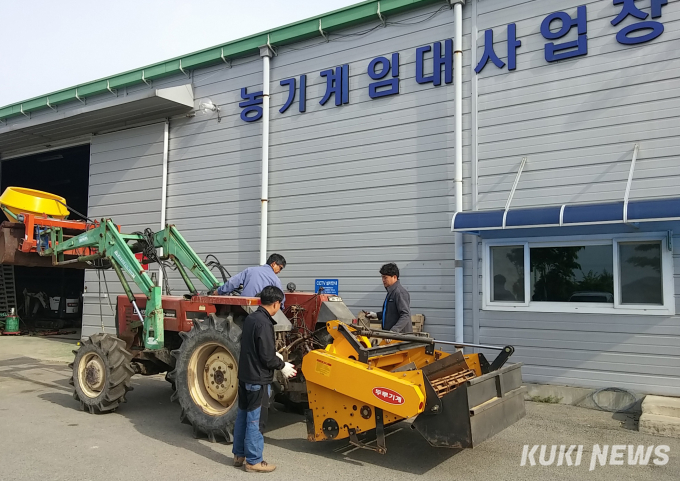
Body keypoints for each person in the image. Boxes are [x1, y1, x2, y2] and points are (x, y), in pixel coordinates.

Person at [232, 285, 297, 473]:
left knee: (243, 417)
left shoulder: (251, 318)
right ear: (276, 304)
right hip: (258, 379)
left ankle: (239, 455)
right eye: (280, 304)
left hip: (245, 377)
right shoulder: (265, 323)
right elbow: (267, 357)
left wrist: (272, 353)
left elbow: (254, 347)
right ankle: (253, 460)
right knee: (256, 420)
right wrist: (282, 365)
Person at [216, 254, 286, 307]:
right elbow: (281, 298)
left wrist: (218, 291)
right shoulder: (275, 279)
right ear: (273, 264)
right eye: (280, 268)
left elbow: (232, 282)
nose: (279, 271)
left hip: (243, 307)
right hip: (262, 309)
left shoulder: (249, 270)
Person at [365, 263, 412, 333]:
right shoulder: (391, 292)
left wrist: (394, 330)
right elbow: (392, 312)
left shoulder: (400, 293)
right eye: (382, 277)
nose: (383, 280)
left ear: (394, 277)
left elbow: (405, 315)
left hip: (400, 338)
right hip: (390, 336)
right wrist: (376, 315)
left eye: (385, 277)